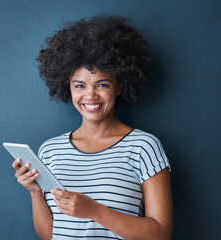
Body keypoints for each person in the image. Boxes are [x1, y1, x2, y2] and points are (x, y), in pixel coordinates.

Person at [12, 14, 173, 240]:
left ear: (118, 87)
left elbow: (160, 234)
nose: (90, 95)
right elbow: (50, 235)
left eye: (102, 85)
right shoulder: (50, 151)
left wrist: (95, 211)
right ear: (68, 87)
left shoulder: (144, 147)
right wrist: (35, 192)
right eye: (80, 85)